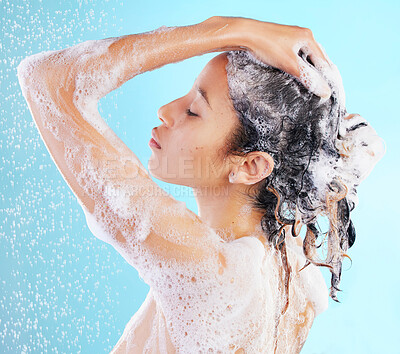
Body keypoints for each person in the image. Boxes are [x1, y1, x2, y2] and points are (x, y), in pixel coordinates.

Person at [17, 15, 385, 353]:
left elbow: (47, 80)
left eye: (195, 110)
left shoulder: (208, 271)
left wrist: (231, 29)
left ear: (253, 164)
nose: (167, 110)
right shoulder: (291, 274)